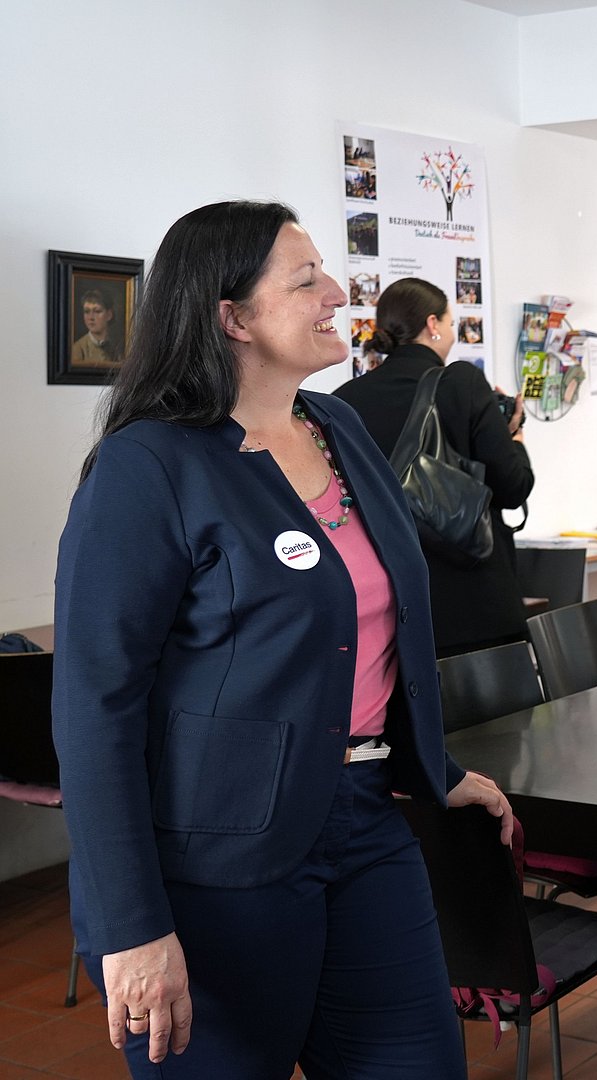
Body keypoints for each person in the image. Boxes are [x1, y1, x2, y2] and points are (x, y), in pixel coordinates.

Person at [53, 200, 514, 1079]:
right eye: (306, 281)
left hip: (366, 820)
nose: (338, 293)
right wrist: (130, 926)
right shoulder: (149, 466)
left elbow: (370, 634)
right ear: (233, 318)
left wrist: (435, 767)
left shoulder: (336, 429)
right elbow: (94, 709)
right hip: (218, 858)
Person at [334, 278, 533, 657]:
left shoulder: (344, 402)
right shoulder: (462, 382)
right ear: (432, 324)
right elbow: (513, 487)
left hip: (394, 612)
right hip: (476, 603)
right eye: (451, 322)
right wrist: (515, 437)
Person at [71, 287, 122, 365]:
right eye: (87, 311)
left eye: (97, 311)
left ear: (109, 315)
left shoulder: (116, 347)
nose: (91, 317)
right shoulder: (78, 349)